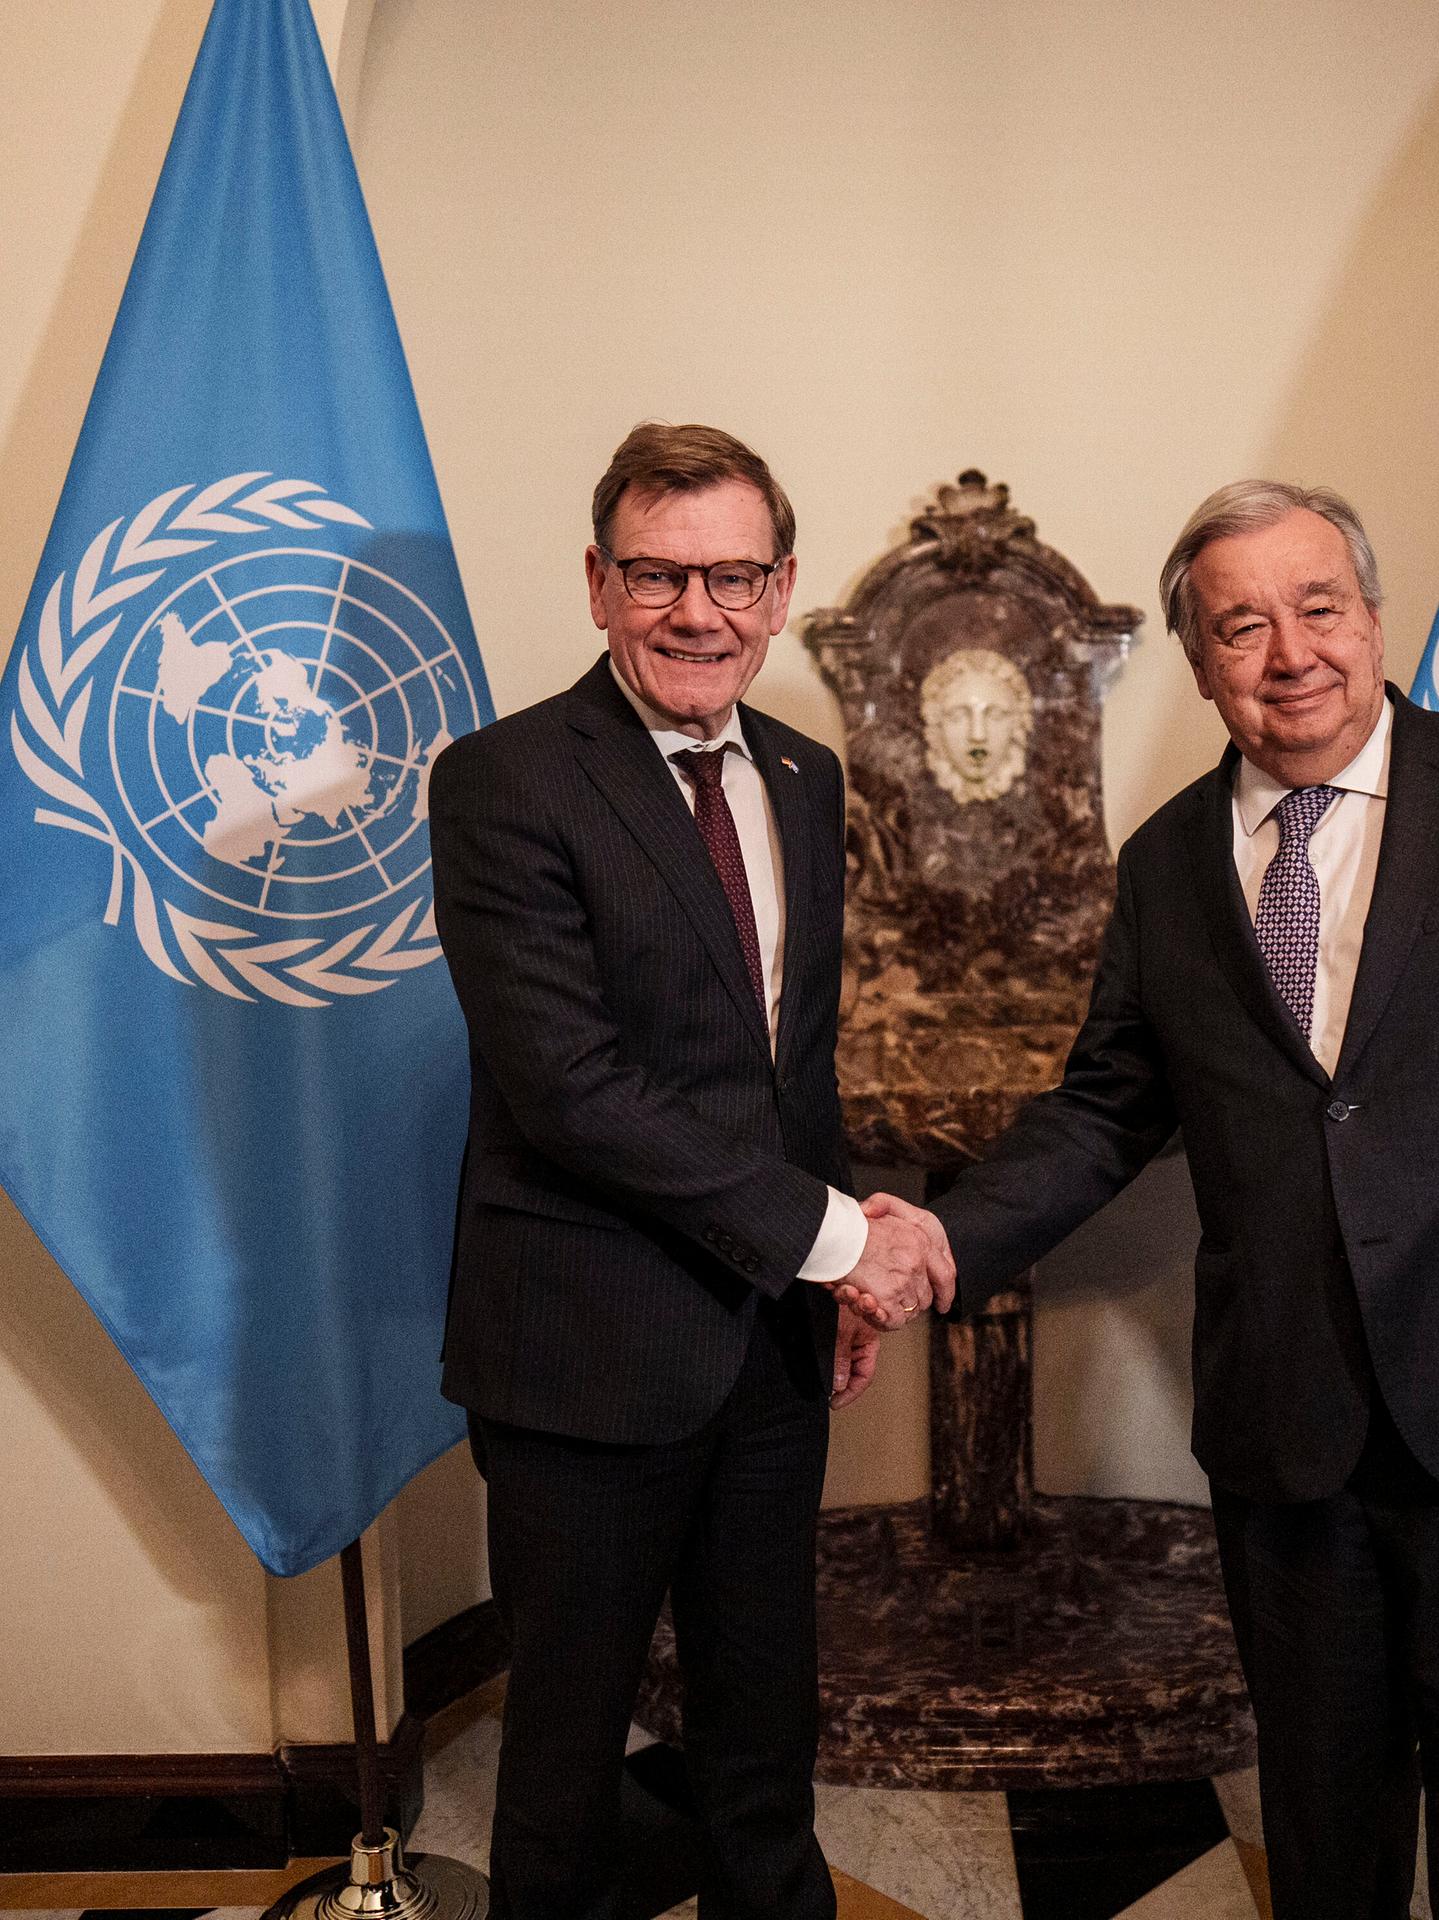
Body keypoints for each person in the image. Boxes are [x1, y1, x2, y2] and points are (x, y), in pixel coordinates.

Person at [853, 481, 1439, 1919]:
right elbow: (1104, 1110)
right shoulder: (1170, 866)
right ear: (1199, 664)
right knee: (1325, 1829)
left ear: (1374, 618)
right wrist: (945, 1235)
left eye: (1318, 608)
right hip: (1290, 1431)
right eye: (1239, 625)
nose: (1288, 651)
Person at [430, 422, 951, 1920]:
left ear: (783, 588)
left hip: (766, 1352)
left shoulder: (804, 776)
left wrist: (826, 1270)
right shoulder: (506, 782)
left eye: (732, 574)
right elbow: (572, 1091)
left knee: (762, 1742)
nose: (697, 611)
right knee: (566, 1767)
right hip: (580, 1360)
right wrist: (841, 1238)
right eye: (659, 574)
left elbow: (793, 1068)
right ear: (597, 583)